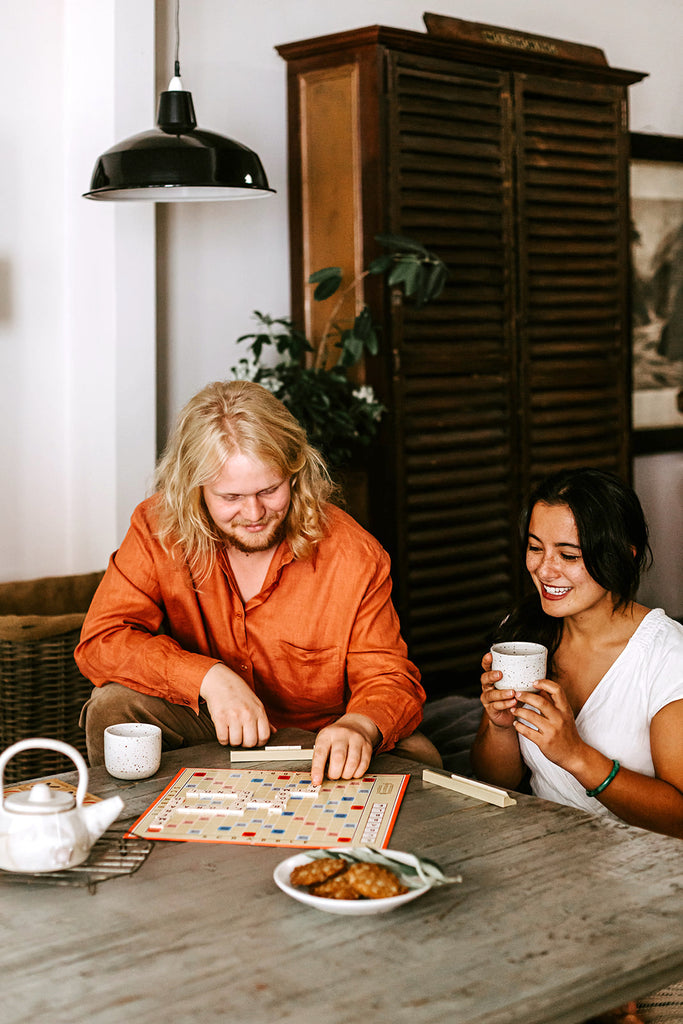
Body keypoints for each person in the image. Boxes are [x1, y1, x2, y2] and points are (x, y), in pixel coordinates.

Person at [76, 379, 440, 787]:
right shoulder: (157, 527)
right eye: (230, 497)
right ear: (194, 489)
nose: (254, 513)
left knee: (424, 757)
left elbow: (388, 677)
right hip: (209, 725)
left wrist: (358, 726)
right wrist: (209, 678)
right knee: (112, 705)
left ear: (295, 472)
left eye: (269, 489)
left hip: (315, 744)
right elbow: (102, 640)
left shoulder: (354, 554)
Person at [471, 467, 683, 1024]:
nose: (545, 570)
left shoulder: (665, 656)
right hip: (551, 869)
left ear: (625, 555)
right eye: (536, 548)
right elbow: (496, 783)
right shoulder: (527, 631)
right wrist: (496, 725)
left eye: (569, 553)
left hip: (650, 875)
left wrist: (577, 756)